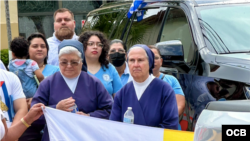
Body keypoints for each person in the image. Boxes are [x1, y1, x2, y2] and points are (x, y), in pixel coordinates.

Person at [31, 40, 113, 141]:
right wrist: (56, 109)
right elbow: (34, 114)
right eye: (64, 62)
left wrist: (89, 116)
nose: (69, 66)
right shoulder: (47, 83)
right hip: (56, 136)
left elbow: (109, 110)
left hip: (86, 136)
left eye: (74, 62)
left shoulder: (94, 83)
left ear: (81, 62)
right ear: (58, 61)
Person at [110, 44, 179, 129]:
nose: (136, 65)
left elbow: (170, 126)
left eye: (140, 60)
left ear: (149, 62)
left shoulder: (164, 90)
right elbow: (114, 126)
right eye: (132, 60)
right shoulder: (122, 93)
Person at [148, 45, 185, 130]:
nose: (153, 60)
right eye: (150, 57)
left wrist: (165, 122)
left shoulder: (171, 80)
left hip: (168, 129)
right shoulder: (135, 82)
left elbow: (180, 105)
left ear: (161, 61)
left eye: (156, 58)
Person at [78, 31, 122, 98]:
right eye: (90, 44)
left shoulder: (110, 68)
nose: (95, 47)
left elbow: (120, 98)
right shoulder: (76, 68)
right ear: (82, 46)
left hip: (108, 108)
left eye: (99, 44)